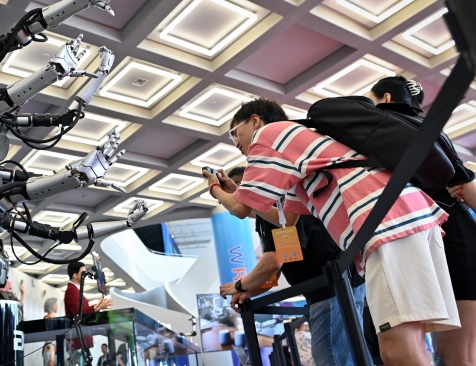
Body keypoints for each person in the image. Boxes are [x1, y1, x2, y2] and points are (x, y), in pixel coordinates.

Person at [204, 97, 459, 365]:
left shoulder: (269, 135)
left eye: (235, 132)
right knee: (412, 340)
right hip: (403, 216)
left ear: (255, 120)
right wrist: (236, 194)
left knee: (397, 349)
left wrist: (214, 188)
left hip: (383, 224)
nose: (236, 142)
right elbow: (287, 218)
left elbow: (240, 209)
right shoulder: (297, 150)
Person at [369, 75, 476, 366]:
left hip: (449, 238)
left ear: (387, 99)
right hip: (456, 233)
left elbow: (466, 185)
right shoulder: (430, 130)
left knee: (458, 356)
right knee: (459, 354)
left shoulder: (384, 129)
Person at [220, 166, 368, 366]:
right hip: (337, 287)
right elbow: (278, 266)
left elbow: (273, 263)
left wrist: (239, 285)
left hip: (331, 290)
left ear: (241, 189)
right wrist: (250, 290)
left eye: (225, 199)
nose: (227, 206)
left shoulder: (276, 209)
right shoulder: (274, 210)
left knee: (333, 358)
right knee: (346, 356)